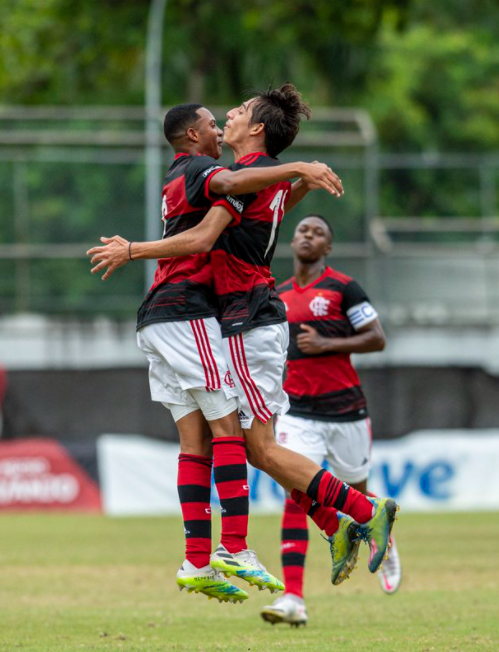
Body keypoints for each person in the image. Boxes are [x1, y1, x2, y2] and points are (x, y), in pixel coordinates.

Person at [88, 83, 399, 592]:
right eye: (218, 116)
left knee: (257, 446)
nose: (226, 116)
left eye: (236, 112)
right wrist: (299, 176)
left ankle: (360, 513)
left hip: (247, 318)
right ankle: (335, 523)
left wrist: (132, 250)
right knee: (251, 446)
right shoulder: (255, 177)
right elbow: (270, 201)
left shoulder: (241, 177)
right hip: (246, 317)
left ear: (255, 128)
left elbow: (203, 237)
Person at [259, 214, 400, 627]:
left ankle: (385, 541)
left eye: (318, 232)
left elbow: (377, 338)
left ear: (328, 247)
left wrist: (326, 343)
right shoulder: (279, 294)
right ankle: (293, 598)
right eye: (302, 230)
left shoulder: (344, 288)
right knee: (295, 489)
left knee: (357, 496)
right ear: (292, 242)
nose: (308, 235)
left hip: (346, 410)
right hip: (298, 411)